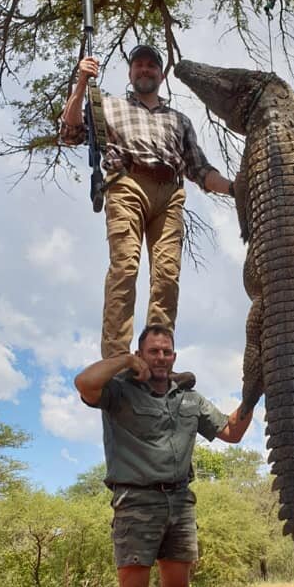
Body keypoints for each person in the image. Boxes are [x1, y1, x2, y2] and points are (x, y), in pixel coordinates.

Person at [74, 324, 253, 587]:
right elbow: (84, 383)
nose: (160, 357)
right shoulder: (119, 392)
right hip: (135, 501)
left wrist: (254, 391)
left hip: (179, 502)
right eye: (152, 351)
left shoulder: (189, 400)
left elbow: (232, 432)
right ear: (141, 354)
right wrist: (123, 361)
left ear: (174, 356)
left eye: (167, 351)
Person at [61, 45, 236, 359]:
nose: (144, 70)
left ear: (161, 73)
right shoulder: (108, 106)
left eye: (151, 65)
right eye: (138, 65)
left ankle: (157, 357)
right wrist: (82, 83)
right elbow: (71, 133)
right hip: (127, 184)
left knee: (167, 277)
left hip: (170, 194)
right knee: (125, 268)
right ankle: (116, 360)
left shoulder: (179, 120)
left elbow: (201, 170)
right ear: (130, 73)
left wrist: (237, 188)